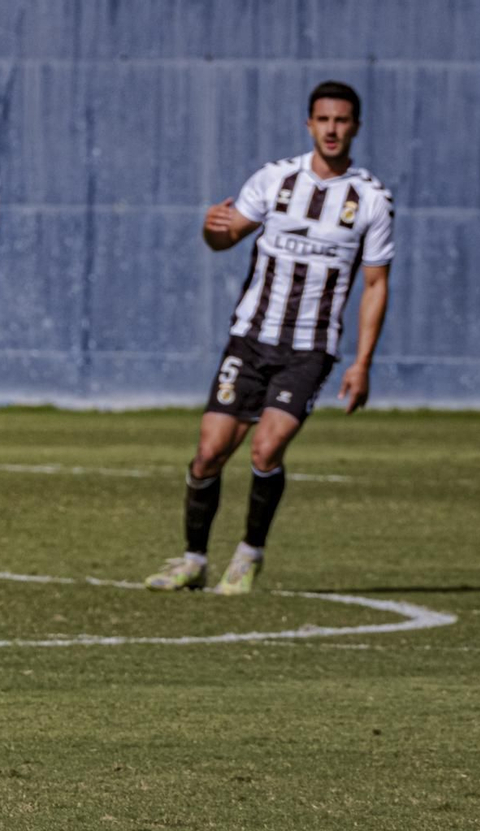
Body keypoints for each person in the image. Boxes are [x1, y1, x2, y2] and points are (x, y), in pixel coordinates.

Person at [145, 81, 394, 595]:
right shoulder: (275, 179)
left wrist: (362, 362)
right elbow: (225, 237)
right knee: (209, 453)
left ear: (355, 127)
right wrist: (210, 228)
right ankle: (193, 560)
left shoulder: (371, 198)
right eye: (323, 119)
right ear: (309, 124)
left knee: (266, 447)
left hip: (310, 349)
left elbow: (375, 284)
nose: (332, 129)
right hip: (250, 339)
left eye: (342, 120)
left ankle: (248, 555)